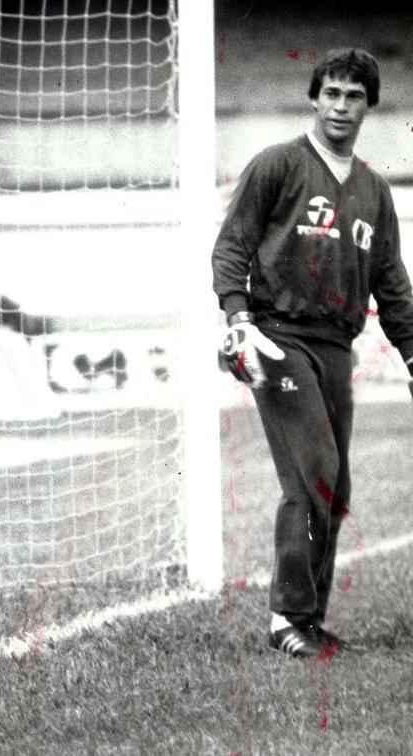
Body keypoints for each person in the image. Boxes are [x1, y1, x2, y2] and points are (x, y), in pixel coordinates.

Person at [212, 48, 413, 659]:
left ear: (368, 106)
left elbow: (392, 285)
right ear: (314, 97)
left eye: (354, 96)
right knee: (313, 472)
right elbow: (232, 247)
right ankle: (287, 619)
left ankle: (309, 620)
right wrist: (238, 319)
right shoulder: (278, 165)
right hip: (278, 336)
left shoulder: (374, 191)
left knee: (334, 487)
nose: (340, 106)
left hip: (335, 347)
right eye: (331, 93)